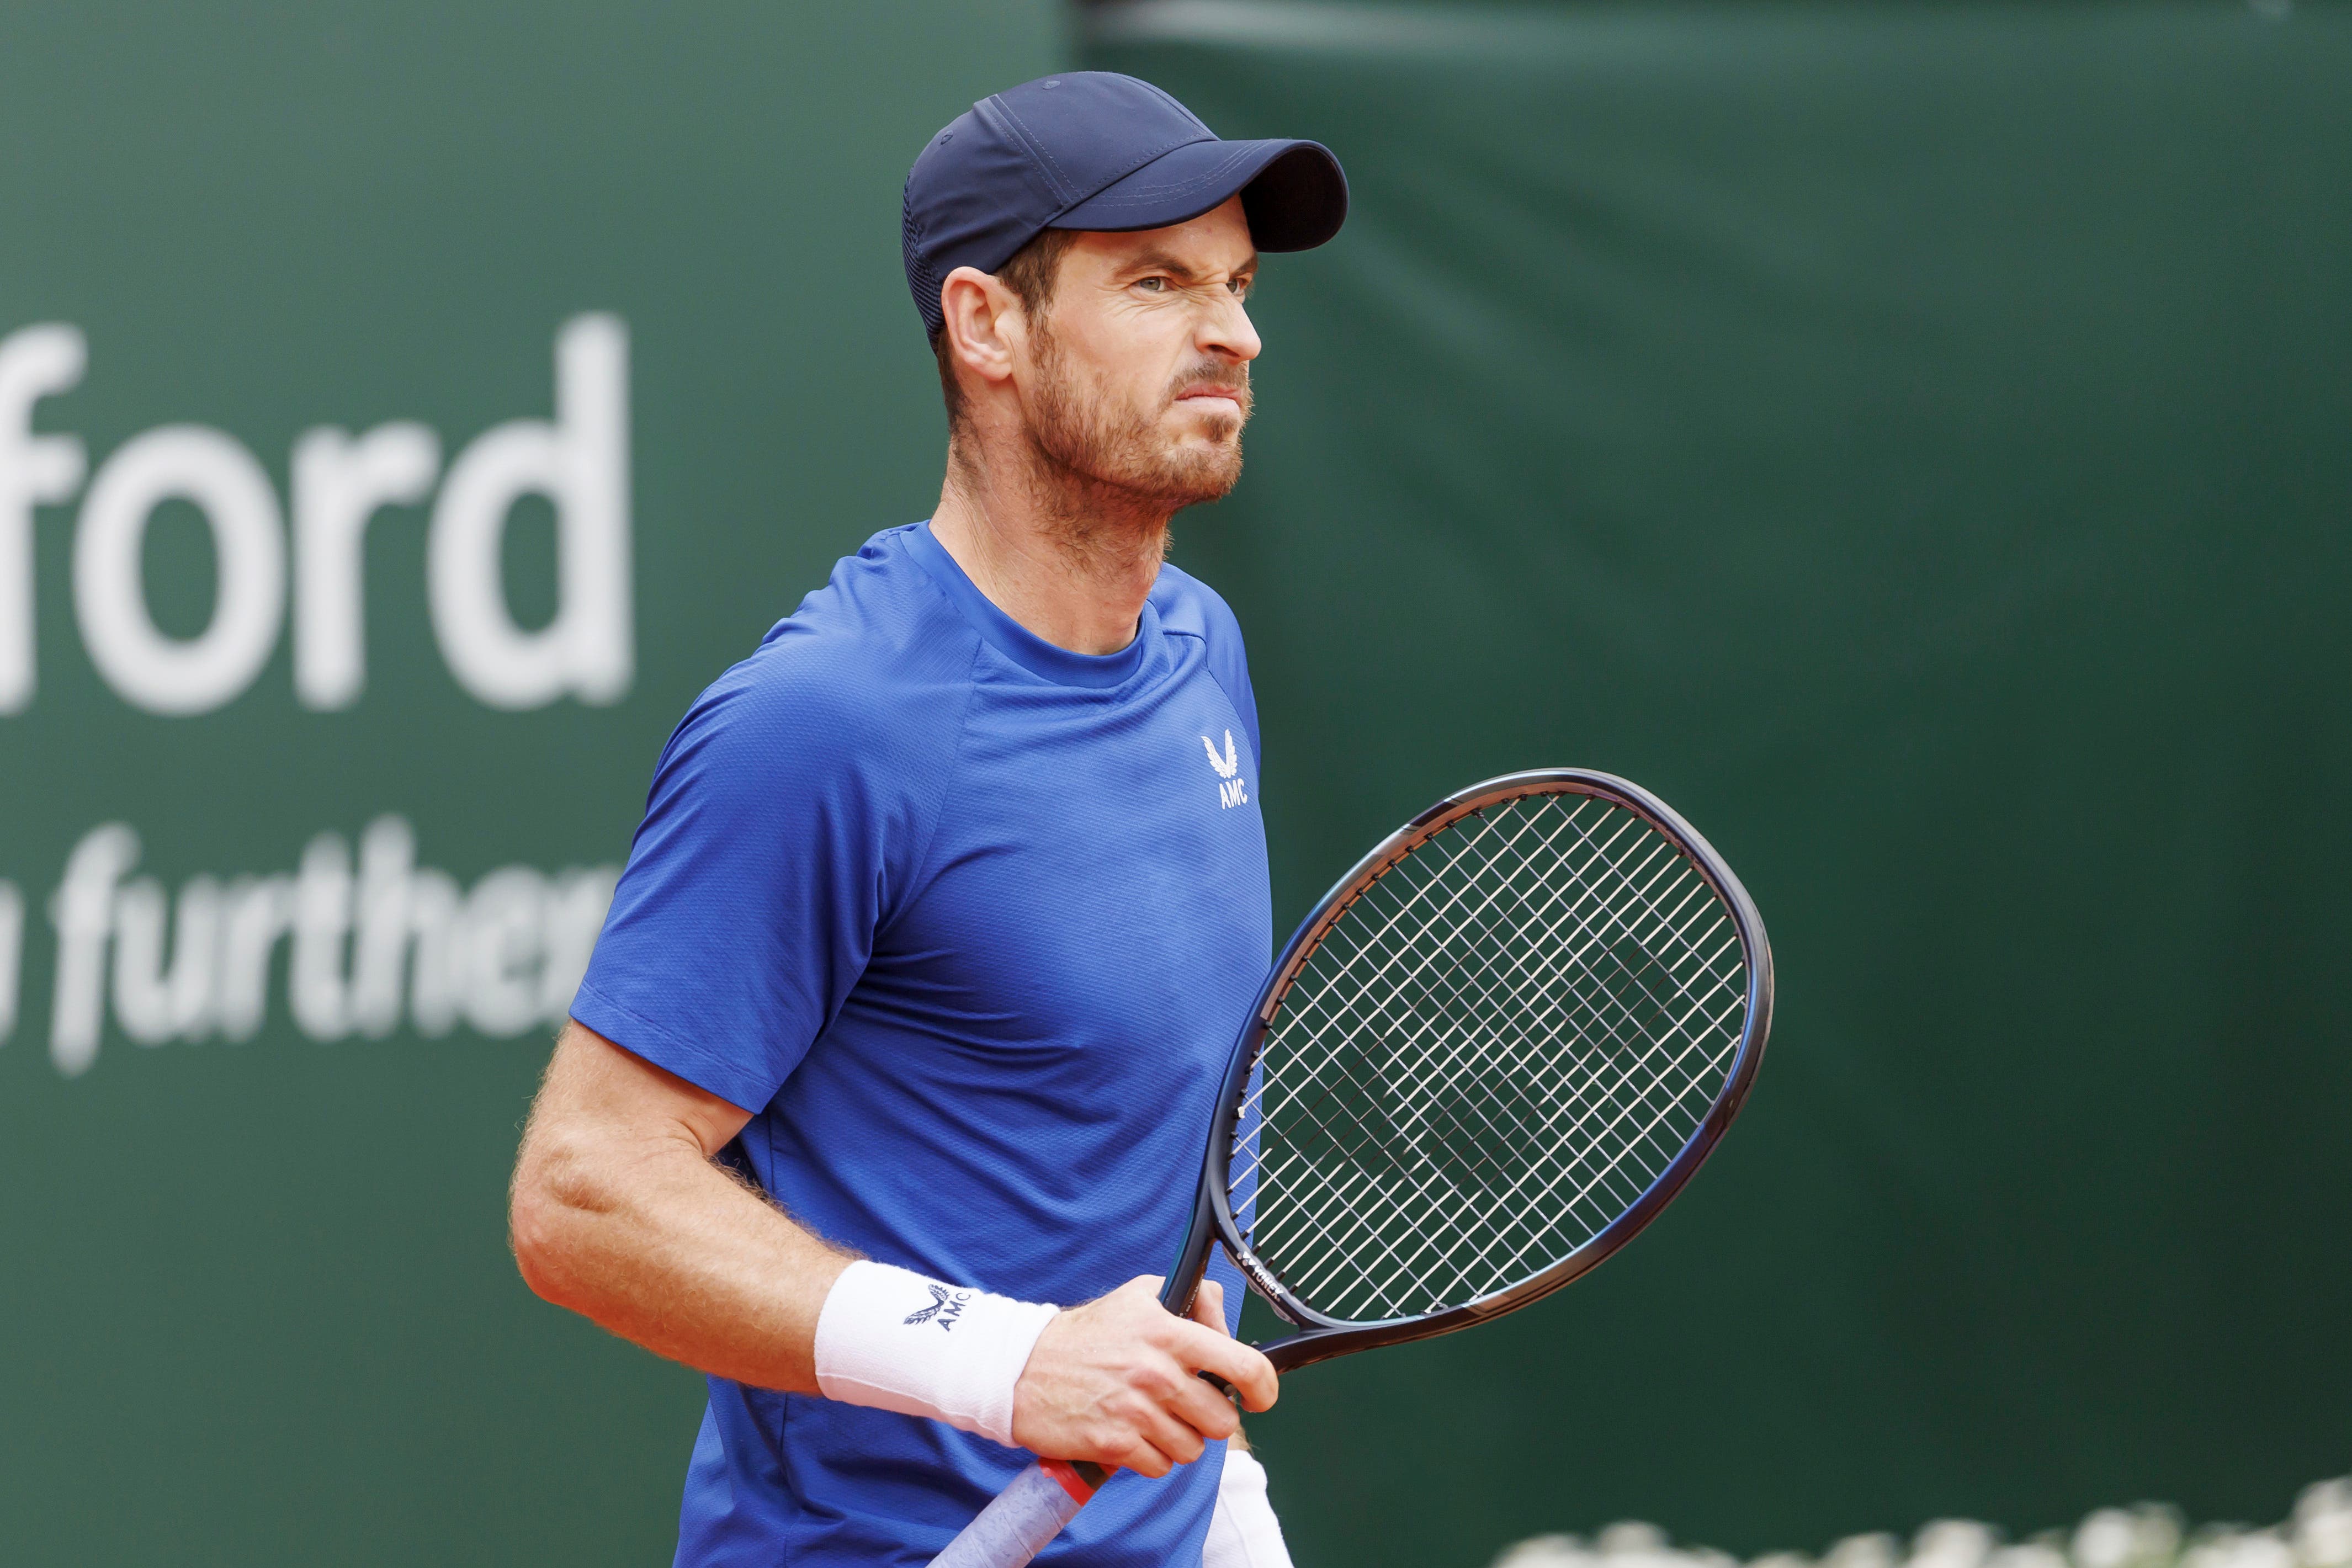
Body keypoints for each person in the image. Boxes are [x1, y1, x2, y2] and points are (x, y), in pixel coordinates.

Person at [507, 71, 1346, 1567]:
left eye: (1236, 281)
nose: (1233, 331)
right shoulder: (827, 725)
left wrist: (1213, 1511)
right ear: (986, 327)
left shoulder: (1200, 649)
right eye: (1156, 281)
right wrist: (1006, 1361)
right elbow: (582, 1195)